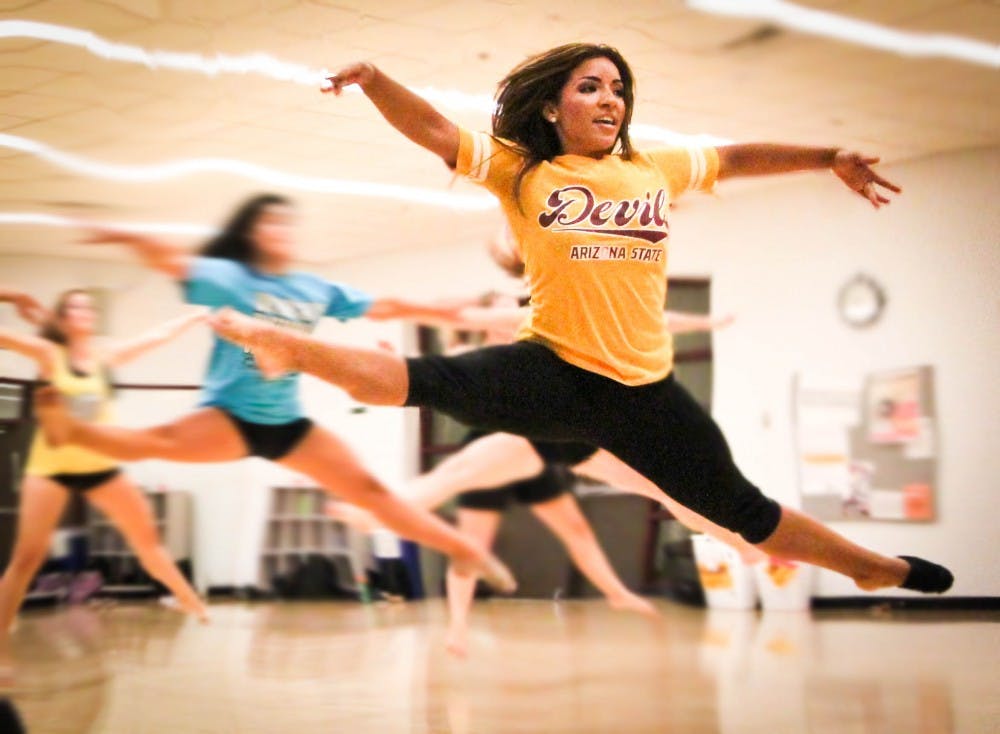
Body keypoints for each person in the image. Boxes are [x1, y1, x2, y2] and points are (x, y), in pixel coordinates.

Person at [56, 45, 953, 594]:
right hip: (552, 367)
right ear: (556, 104)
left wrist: (824, 155)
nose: (610, 101)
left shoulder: (659, 170)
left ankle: (872, 569)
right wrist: (376, 81)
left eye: (619, 90)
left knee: (741, 509)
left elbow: (739, 155)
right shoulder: (524, 170)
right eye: (592, 88)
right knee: (423, 383)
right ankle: (286, 345)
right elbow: (440, 135)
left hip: (644, 391)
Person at [29, 194, 515, 593]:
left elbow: (387, 306)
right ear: (252, 233)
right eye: (270, 224)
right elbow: (171, 261)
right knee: (154, 441)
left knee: (371, 492)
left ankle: (465, 550)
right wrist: (124, 235)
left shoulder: (312, 287)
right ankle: (68, 430)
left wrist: (459, 312)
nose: (281, 232)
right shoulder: (229, 279)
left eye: (287, 224)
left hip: (287, 424)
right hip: (230, 417)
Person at [0, 287, 209, 643]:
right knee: (26, 559)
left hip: (100, 463)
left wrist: (192, 317)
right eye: (76, 307)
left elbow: (153, 338)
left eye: (89, 307)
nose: (85, 312)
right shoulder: (49, 353)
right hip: (50, 466)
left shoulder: (104, 355)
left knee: (148, 542)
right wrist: (9, 295)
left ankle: (191, 601)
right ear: (64, 317)